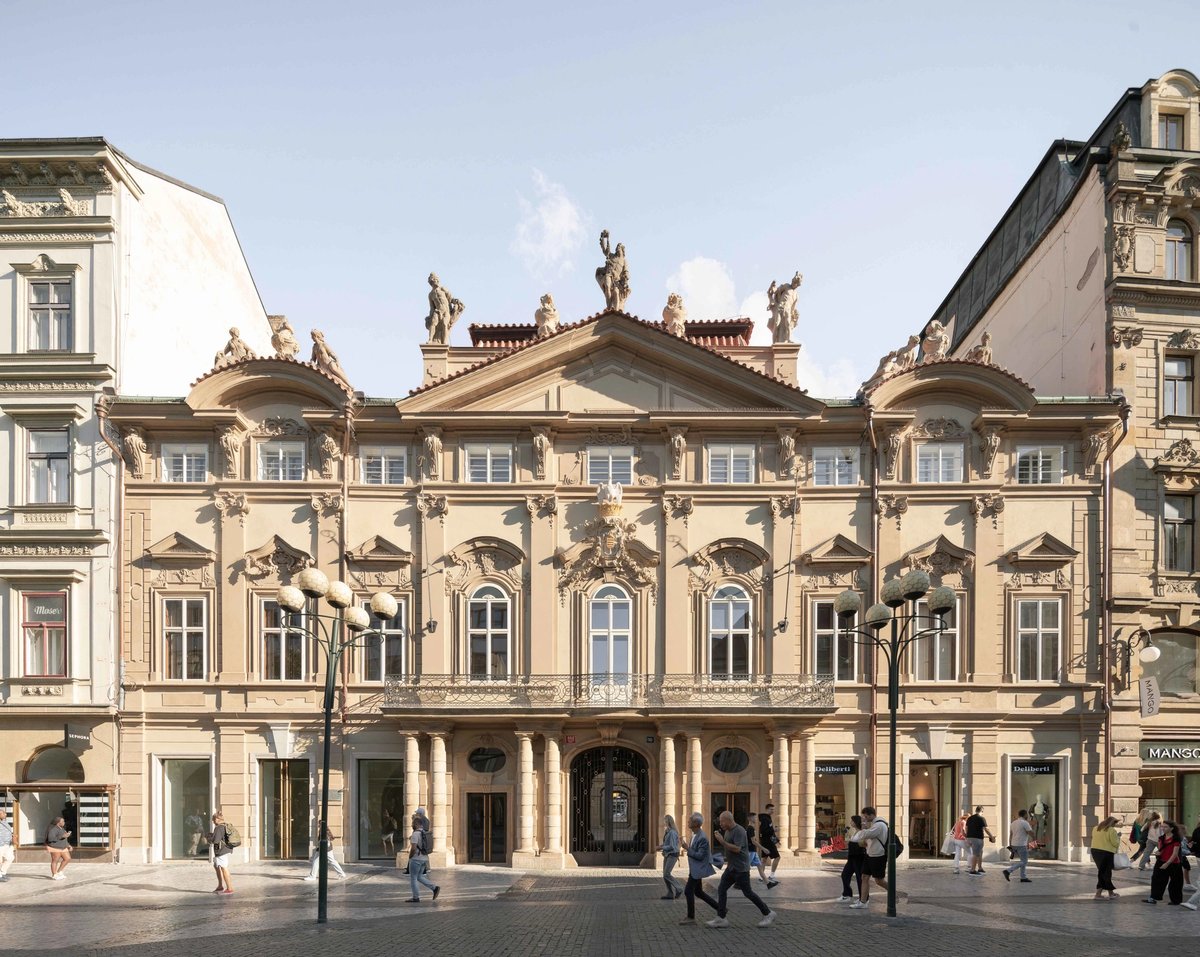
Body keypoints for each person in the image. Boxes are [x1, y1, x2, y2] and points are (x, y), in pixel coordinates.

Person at [707, 810, 775, 928]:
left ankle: (768, 913)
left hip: (741, 869)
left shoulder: (739, 831)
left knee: (748, 893)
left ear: (728, 820)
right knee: (721, 889)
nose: (720, 824)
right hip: (731, 868)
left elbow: (737, 849)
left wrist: (722, 842)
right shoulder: (727, 831)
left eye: (722, 821)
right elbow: (729, 849)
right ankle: (721, 918)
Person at [680, 812, 719, 924]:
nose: (688, 822)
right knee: (699, 892)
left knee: (688, 891)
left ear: (696, 823)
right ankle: (721, 909)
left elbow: (700, 856)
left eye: (690, 820)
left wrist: (687, 848)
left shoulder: (702, 837)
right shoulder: (694, 834)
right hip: (695, 869)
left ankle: (691, 917)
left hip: (698, 869)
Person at [849, 806, 889, 909]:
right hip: (870, 854)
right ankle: (863, 902)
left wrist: (863, 826)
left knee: (879, 880)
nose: (865, 818)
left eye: (866, 816)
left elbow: (864, 835)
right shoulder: (874, 824)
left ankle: (892, 891)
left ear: (871, 815)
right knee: (864, 877)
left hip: (878, 856)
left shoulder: (879, 825)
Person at [1145, 820, 1184, 905]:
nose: (1163, 828)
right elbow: (1160, 850)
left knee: (1175, 882)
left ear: (1171, 828)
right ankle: (1153, 898)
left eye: (1165, 827)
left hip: (1174, 863)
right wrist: (1158, 853)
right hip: (1161, 861)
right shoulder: (1161, 838)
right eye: (1162, 826)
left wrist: (1167, 863)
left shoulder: (1176, 839)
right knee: (1156, 880)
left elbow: (1175, 854)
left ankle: (1176, 900)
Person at [406, 812, 439, 902]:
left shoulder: (415, 834)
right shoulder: (424, 832)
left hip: (416, 859)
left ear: (416, 824)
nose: (412, 825)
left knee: (413, 878)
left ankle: (415, 897)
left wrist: (410, 857)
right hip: (424, 858)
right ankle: (434, 888)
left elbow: (413, 848)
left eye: (413, 823)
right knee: (420, 876)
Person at [1091, 815, 1122, 900]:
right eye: (1115, 823)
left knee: (1103, 872)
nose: (1115, 825)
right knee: (1106, 873)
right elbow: (1115, 843)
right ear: (1112, 823)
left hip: (1095, 851)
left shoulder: (1096, 828)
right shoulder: (1112, 830)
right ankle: (1101, 894)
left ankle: (1106, 893)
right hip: (1106, 852)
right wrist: (1118, 837)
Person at [1002, 809, 1035, 883]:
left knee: (1022, 861)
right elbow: (1030, 832)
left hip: (1014, 844)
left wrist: (1010, 844)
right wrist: (1034, 840)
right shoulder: (1024, 823)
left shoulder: (1013, 823)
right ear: (1025, 815)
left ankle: (1023, 877)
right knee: (1024, 861)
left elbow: (1011, 834)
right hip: (1022, 844)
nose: (1028, 816)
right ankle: (1008, 871)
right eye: (1027, 815)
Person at [839, 814, 866, 902]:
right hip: (851, 857)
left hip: (859, 857)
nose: (850, 822)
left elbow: (863, 844)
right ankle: (847, 894)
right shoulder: (855, 832)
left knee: (859, 878)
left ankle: (863, 898)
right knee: (845, 875)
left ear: (856, 822)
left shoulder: (862, 832)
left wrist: (852, 843)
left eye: (852, 821)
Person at [208, 811, 234, 894]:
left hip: (221, 851)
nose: (212, 821)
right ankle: (220, 886)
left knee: (223, 868)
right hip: (223, 850)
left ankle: (229, 888)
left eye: (213, 819)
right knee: (216, 866)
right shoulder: (225, 825)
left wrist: (209, 838)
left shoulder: (219, 828)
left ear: (217, 819)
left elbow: (216, 840)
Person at [965, 806, 995, 876]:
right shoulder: (981, 818)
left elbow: (966, 828)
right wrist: (992, 837)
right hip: (977, 838)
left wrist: (967, 836)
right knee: (976, 854)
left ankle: (980, 868)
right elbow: (986, 829)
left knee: (979, 852)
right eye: (982, 812)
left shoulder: (970, 818)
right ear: (981, 811)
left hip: (970, 837)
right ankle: (972, 870)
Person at [758, 803, 781, 887]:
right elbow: (764, 831)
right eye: (771, 809)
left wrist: (776, 840)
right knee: (777, 857)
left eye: (773, 809)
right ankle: (771, 876)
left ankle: (762, 877)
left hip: (766, 841)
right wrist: (774, 830)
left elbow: (768, 831)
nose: (773, 811)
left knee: (764, 859)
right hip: (767, 842)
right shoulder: (765, 819)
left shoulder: (767, 818)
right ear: (767, 809)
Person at [659, 815, 683, 899]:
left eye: (665, 821)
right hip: (667, 854)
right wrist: (662, 846)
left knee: (666, 874)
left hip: (673, 854)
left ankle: (679, 888)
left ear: (668, 822)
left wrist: (662, 847)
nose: (663, 822)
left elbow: (672, 846)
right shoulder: (668, 831)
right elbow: (667, 844)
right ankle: (670, 893)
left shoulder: (672, 832)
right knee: (665, 875)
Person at [46, 815, 71, 880]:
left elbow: (64, 838)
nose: (64, 822)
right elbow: (50, 839)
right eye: (62, 821)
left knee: (67, 858)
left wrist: (68, 845)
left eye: (64, 821)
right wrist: (62, 836)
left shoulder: (62, 829)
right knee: (55, 861)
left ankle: (59, 872)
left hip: (63, 847)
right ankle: (54, 874)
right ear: (58, 823)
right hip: (55, 847)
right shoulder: (53, 829)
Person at [747, 813, 769, 885]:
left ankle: (768, 883)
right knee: (746, 868)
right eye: (755, 818)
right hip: (750, 851)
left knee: (760, 866)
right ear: (750, 818)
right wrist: (763, 848)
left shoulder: (752, 828)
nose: (756, 819)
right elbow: (753, 841)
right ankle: (739, 883)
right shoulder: (750, 828)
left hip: (753, 851)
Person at [0, 807, 14, 881]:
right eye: (3, 813)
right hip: (0, 845)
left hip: (7, 844)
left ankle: (2, 872)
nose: (5, 814)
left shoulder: (5, 822)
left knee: (10, 858)